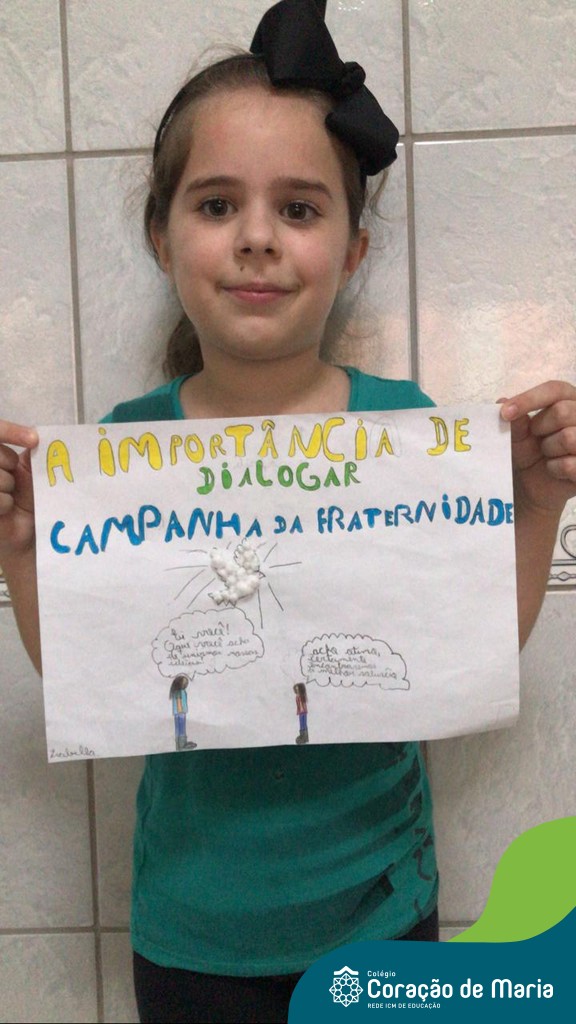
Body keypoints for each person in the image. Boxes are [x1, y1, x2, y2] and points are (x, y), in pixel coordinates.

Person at [1, 1, 575, 1021]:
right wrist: (20, 548)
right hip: (191, 935)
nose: (258, 238)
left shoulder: (408, 435)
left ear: (352, 251)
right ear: (161, 235)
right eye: (217, 204)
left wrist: (533, 504)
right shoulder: (122, 451)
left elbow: (471, 648)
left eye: (300, 210)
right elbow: (97, 678)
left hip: (383, 914)